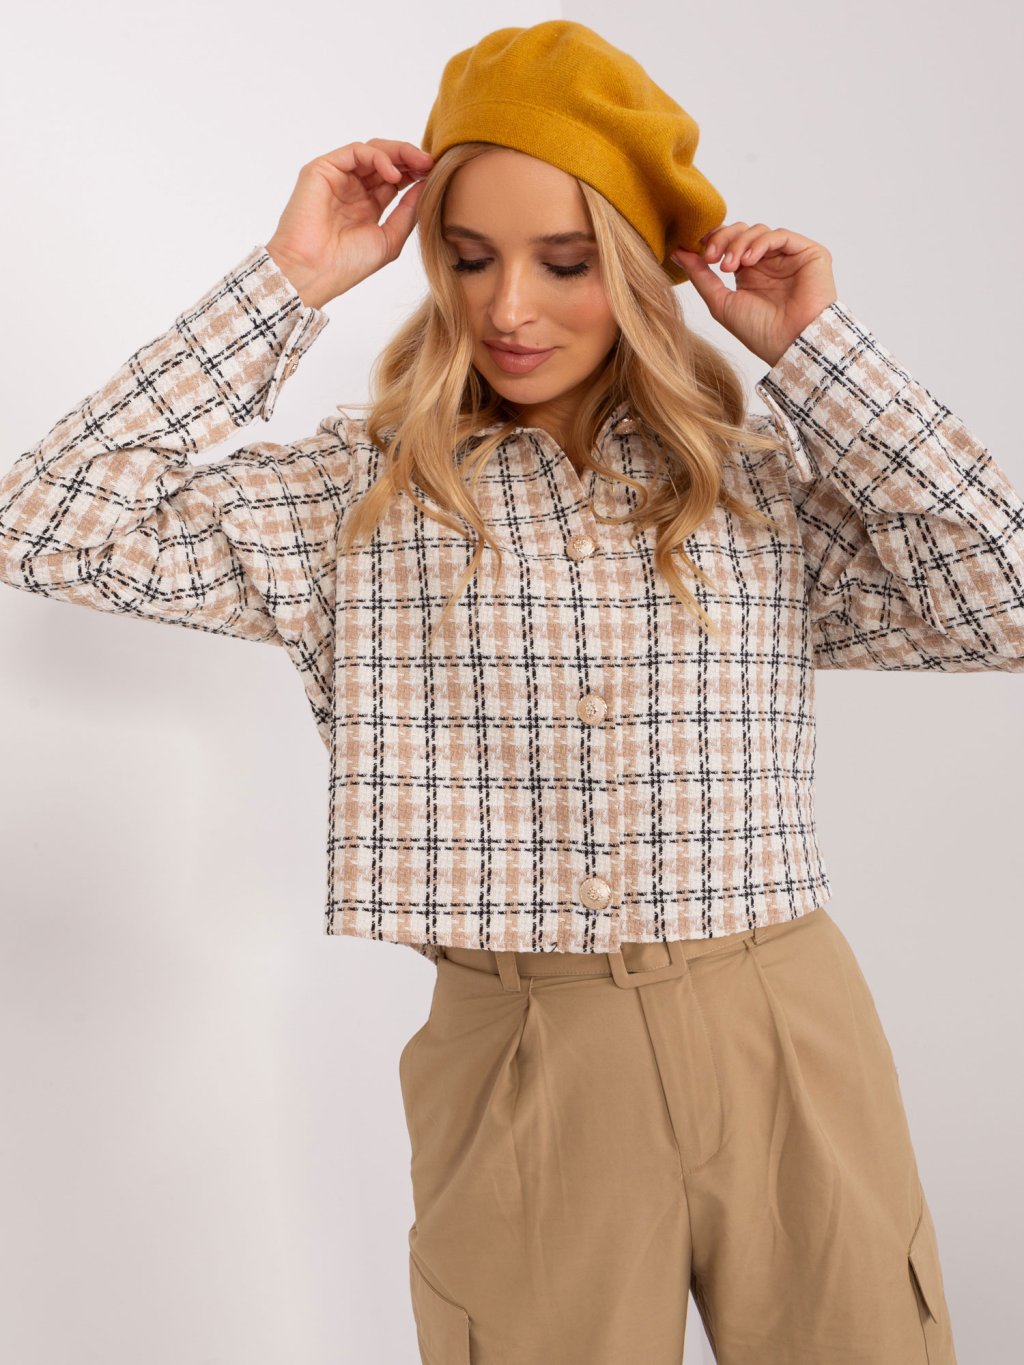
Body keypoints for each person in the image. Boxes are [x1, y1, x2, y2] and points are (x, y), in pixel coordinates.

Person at [2, 17, 1020, 1365]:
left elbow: (1006, 600)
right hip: (524, 1051)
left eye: (566, 260)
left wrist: (818, 352)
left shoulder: (758, 492)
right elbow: (45, 520)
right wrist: (288, 283)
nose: (508, 309)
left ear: (641, 268)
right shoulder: (351, 501)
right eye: (471, 257)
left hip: (788, 1025)